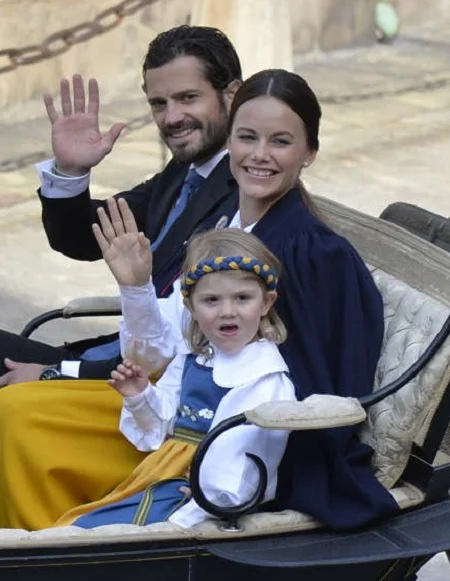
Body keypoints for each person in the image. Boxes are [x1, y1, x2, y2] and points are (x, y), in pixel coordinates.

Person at [0, 69, 398, 531]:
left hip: (218, 439)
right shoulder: (225, 227)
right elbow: (161, 346)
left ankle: (54, 553)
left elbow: (322, 383)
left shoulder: (314, 251)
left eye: (281, 142)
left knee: (21, 420)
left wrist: (232, 470)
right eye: (247, 137)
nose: (259, 156)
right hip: (166, 401)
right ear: (230, 140)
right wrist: (136, 287)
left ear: (309, 152)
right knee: (20, 411)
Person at [0, 24, 242, 386]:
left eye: (188, 97)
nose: (171, 117)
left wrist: (55, 374)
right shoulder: (183, 171)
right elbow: (85, 237)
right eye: (159, 103)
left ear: (232, 95)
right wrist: (70, 171)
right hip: (108, 361)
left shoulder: (246, 188)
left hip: (139, 386)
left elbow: (181, 351)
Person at [52, 226, 295, 528]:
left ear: (267, 303)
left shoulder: (264, 379)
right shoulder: (194, 358)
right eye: (211, 300)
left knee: (94, 534)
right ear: (191, 306)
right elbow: (159, 427)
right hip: (161, 473)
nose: (227, 311)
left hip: (198, 497)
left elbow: (246, 466)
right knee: (77, 523)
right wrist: (140, 396)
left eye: (242, 298)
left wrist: (201, 507)